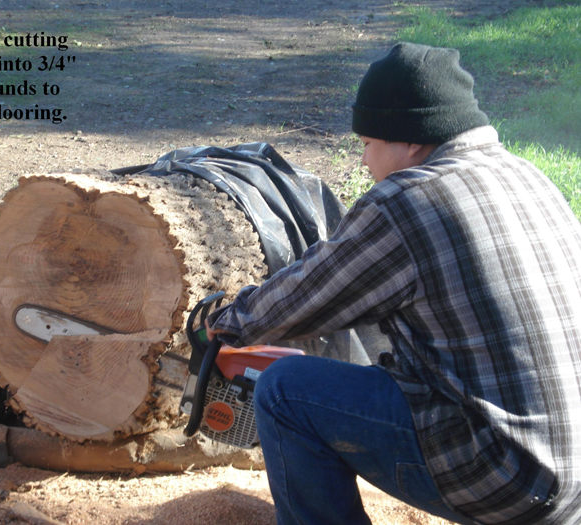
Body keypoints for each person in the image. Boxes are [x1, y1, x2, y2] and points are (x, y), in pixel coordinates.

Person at [205, 42, 581, 524]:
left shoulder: (408, 200)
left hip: (509, 479)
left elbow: (308, 295)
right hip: (569, 471)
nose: (363, 161)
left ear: (410, 139)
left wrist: (225, 323)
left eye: (366, 143)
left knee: (284, 390)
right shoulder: (528, 177)